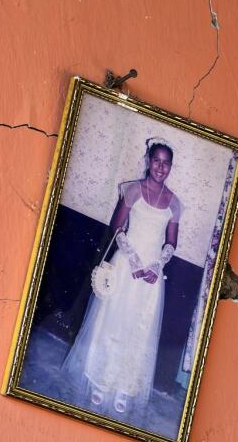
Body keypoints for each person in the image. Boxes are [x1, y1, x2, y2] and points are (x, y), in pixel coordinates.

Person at [62, 137, 183, 421]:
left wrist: (155, 265)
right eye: (156, 161)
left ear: (171, 167)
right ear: (148, 161)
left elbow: (171, 244)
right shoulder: (133, 190)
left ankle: (124, 389)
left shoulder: (175, 204)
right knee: (112, 324)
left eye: (166, 163)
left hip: (151, 277)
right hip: (126, 267)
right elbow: (117, 228)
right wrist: (134, 262)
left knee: (138, 331)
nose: (160, 167)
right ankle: (102, 384)